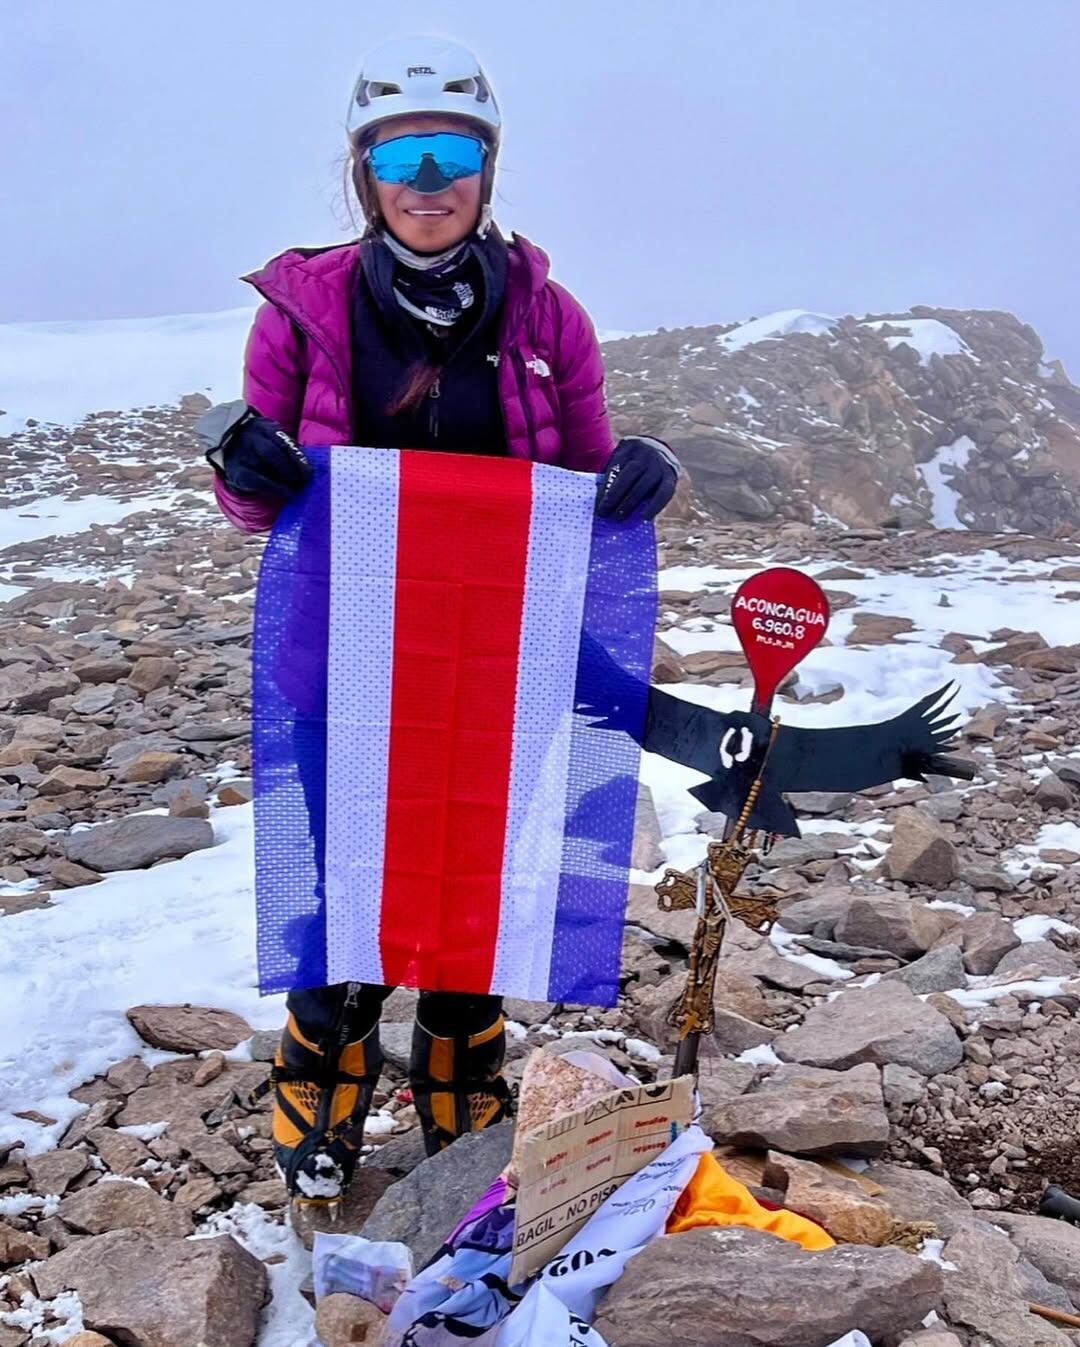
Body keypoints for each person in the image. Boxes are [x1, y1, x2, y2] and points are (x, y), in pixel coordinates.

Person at [199, 35, 679, 1201]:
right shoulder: (303, 313)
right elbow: (256, 509)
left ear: (487, 170)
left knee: (477, 865)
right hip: (344, 645)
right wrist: (246, 463)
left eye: (452, 155)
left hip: (496, 651)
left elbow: (587, 475)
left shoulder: (549, 319)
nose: (427, 181)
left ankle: (463, 1057)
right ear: (364, 172)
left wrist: (640, 474)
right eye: (399, 156)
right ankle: (324, 1062)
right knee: (341, 867)